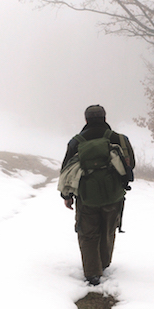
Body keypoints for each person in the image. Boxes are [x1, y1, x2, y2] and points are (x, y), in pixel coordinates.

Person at [61, 105, 135, 286]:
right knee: (108, 230)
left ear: (86, 120)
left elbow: (66, 170)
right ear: (104, 118)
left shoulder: (76, 142)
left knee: (88, 233)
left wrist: (67, 195)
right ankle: (104, 263)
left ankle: (92, 273)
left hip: (86, 197)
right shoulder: (119, 139)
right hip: (114, 195)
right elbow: (130, 164)